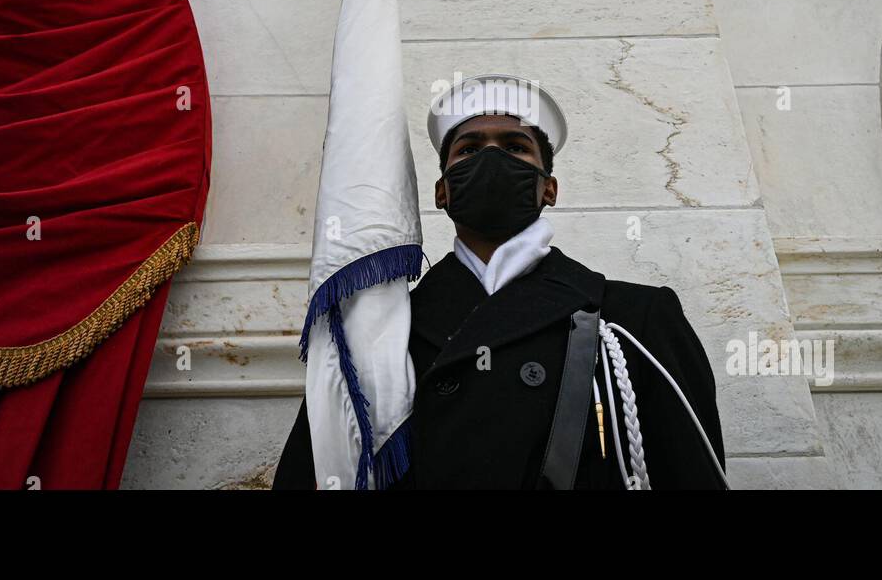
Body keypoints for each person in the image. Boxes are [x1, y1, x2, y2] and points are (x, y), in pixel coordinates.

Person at [273, 74, 727, 489]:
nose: (491, 157)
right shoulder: (379, 332)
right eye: (469, 149)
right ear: (442, 191)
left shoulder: (633, 319)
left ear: (549, 188)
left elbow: (690, 472)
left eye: (515, 147)